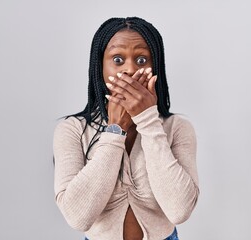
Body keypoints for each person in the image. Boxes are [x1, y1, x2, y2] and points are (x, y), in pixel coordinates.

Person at [53, 17, 199, 240]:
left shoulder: (177, 128)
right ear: (100, 66)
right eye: (118, 59)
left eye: (141, 59)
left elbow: (179, 210)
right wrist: (114, 130)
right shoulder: (72, 130)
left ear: (155, 66)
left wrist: (148, 119)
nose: (130, 69)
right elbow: (77, 217)